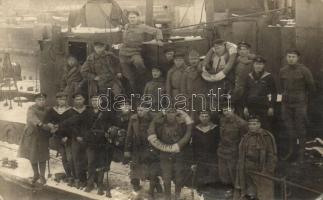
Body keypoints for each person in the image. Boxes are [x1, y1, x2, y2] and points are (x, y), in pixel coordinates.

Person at [147, 109, 193, 200]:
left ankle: (177, 196)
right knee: (166, 177)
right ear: (165, 114)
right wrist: (161, 149)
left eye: (173, 112)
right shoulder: (160, 126)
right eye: (168, 112)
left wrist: (180, 146)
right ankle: (167, 197)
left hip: (179, 154)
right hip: (164, 154)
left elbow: (188, 135)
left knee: (179, 176)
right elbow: (153, 134)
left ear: (176, 114)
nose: (171, 115)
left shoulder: (182, 125)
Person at [279, 49, 315, 163]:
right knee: (290, 129)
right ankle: (291, 152)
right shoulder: (282, 70)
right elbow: (282, 86)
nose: (291, 59)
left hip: (300, 104)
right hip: (286, 104)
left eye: (293, 56)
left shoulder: (304, 70)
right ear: (286, 57)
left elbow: (311, 88)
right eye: (289, 56)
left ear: (298, 58)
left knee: (300, 129)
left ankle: (301, 155)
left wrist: (304, 101)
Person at [119, 10, 163, 93]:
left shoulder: (142, 27)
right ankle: (133, 94)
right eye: (130, 17)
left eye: (134, 17)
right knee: (128, 77)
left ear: (137, 18)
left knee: (139, 63)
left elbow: (157, 31)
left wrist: (159, 39)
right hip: (123, 54)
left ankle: (145, 79)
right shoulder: (126, 26)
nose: (132, 19)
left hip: (135, 52)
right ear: (128, 18)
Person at [234, 116, 277, 200]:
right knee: (249, 192)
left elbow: (271, 154)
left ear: (259, 125)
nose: (251, 126)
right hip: (246, 168)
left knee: (263, 193)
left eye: (254, 124)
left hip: (261, 170)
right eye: (250, 124)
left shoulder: (266, 136)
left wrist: (269, 170)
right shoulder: (246, 137)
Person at [124, 105, 163, 198]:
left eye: (142, 110)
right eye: (138, 110)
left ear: (147, 110)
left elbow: (159, 134)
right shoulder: (133, 118)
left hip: (150, 147)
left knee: (150, 169)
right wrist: (127, 149)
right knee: (135, 168)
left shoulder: (154, 118)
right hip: (137, 148)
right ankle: (136, 186)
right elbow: (129, 135)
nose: (139, 112)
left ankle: (155, 185)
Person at [18, 93, 53, 185]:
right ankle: (36, 174)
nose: (41, 101)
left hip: (43, 135)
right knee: (32, 155)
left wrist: (51, 125)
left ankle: (42, 176)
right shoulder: (31, 109)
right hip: (32, 135)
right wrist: (41, 124)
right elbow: (32, 118)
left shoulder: (48, 110)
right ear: (35, 101)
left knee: (43, 156)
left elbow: (51, 119)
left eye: (43, 100)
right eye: (39, 100)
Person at [83, 95, 115, 197]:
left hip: (102, 142)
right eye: (92, 100)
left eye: (96, 100)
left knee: (101, 164)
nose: (94, 102)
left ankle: (100, 184)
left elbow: (112, 125)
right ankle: (90, 183)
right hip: (91, 142)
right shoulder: (87, 112)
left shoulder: (106, 113)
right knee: (91, 162)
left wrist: (109, 132)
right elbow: (83, 126)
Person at [59, 93, 91, 189]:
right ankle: (78, 179)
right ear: (74, 101)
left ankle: (88, 180)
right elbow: (64, 126)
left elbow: (92, 125)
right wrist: (73, 136)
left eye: (80, 99)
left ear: (84, 100)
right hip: (74, 139)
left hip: (87, 139)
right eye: (76, 99)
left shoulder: (88, 111)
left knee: (87, 159)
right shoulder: (69, 112)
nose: (78, 101)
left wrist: (85, 136)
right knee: (76, 159)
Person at [44, 92, 75, 186]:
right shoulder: (52, 110)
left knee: (71, 158)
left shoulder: (70, 111)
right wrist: (51, 126)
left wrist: (67, 136)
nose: (63, 101)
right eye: (61, 99)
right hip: (58, 137)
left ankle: (75, 176)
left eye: (64, 99)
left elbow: (73, 125)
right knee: (64, 157)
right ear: (57, 100)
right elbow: (46, 121)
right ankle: (69, 176)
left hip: (68, 137)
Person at [217, 106, 248, 191]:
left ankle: (238, 193)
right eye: (224, 110)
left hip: (234, 153)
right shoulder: (222, 120)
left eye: (228, 110)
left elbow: (244, 140)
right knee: (223, 174)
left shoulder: (241, 123)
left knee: (234, 175)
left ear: (233, 109)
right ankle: (228, 192)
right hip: (222, 151)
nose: (226, 112)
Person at [243, 56, 277, 131]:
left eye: (260, 64)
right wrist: (245, 107)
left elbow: (274, 93)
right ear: (253, 65)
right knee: (251, 128)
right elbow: (245, 93)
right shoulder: (249, 77)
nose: (258, 66)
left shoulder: (268, 77)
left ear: (263, 65)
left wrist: (271, 107)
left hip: (264, 108)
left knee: (265, 128)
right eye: (256, 64)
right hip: (251, 107)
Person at [191, 111, 220, 195]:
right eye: (202, 116)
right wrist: (194, 161)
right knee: (200, 175)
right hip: (200, 157)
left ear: (209, 117)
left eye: (206, 116)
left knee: (212, 175)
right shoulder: (195, 129)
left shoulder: (215, 128)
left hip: (212, 156)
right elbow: (193, 146)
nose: (204, 118)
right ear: (199, 117)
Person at [181, 50, 208, 119]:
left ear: (198, 59)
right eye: (191, 59)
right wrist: (185, 97)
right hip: (190, 98)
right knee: (191, 116)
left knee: (203, 115)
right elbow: (183, 86)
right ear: (189, 60)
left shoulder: (203, 69)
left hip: (202, 97)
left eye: (195, 59)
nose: (193, 61)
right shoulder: (186, 71)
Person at [232, 41, 255, 117]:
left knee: (249, 112)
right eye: (240, 49)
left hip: (249, 90)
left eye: (245, 49)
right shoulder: (234, 61)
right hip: (237, 90)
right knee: (238, 110)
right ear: (238, 51)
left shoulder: (253, 63)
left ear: (248, 50)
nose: (242, 51)